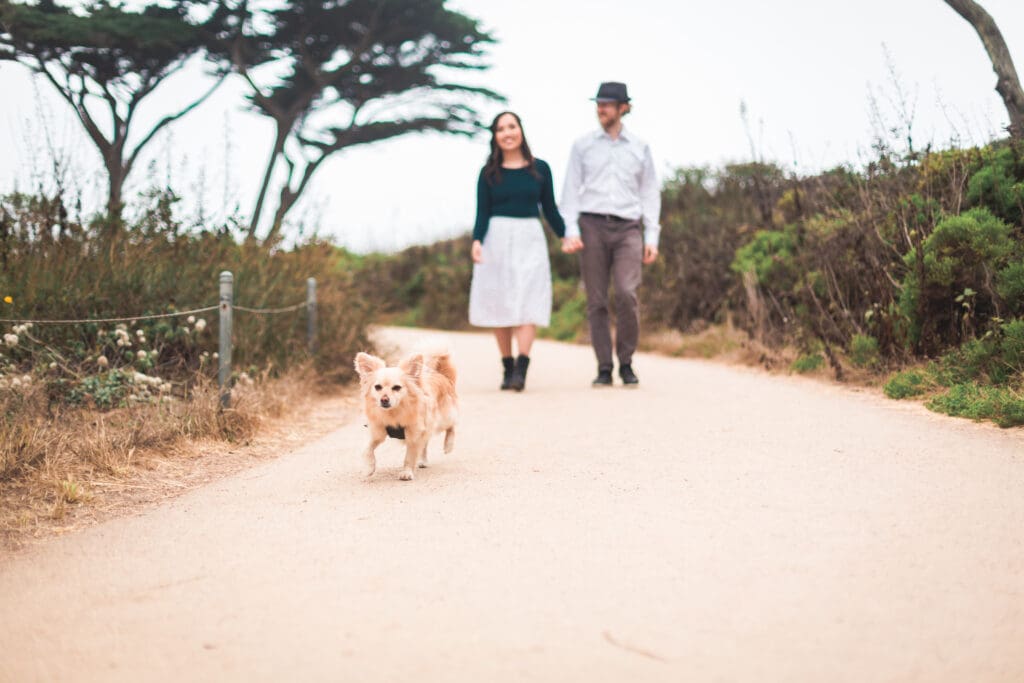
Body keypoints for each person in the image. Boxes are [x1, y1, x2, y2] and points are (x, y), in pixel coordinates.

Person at [560, 82, 661, 388]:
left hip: (629, 227)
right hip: (591, 225)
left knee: (627, 294)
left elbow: (650, 192)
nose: (600, 109)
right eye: (598, 103)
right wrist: (571, 229)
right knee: (596, 300)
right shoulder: (582, 145)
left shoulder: (640, 147)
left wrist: (651, 236)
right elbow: (570, 190)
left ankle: (626, 363)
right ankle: (604, 367)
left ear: (623, 108)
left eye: (607, 104)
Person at [468, 111, 574, 391]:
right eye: (501, 129)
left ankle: (522, 367)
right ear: (495, 136)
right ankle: (507, 365)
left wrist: (565, 235)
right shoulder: (488, 173)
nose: (507, 133)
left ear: (521, 130)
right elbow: (482, 212)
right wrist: (477, 241)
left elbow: (549, 209)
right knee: (499, 301)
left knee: (529, 297)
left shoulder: (540, 169)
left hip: (530, 238)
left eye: (511, 126)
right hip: (497, 239)